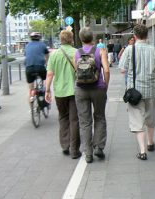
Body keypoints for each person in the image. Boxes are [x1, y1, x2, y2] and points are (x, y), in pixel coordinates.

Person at [119, 24, 155, 160]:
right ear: (147, 35)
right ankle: (151, 143)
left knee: (137, 120)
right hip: (152, 90)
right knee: (150, 117)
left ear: (134, 36)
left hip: (135, 92)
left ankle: (142, 151)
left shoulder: (129, 50)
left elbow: (122, 69)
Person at [74, 27, 110, 163]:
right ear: (93, 38)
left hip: (81, 89)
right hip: (98, 88)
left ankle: (88, 153)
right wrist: (105, 86)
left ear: (81, 38)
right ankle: (99, 147)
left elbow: (76, 71)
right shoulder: (100, 51)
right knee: (100, 117)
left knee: (84, 121)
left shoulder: (77, 53)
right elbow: (106, 70)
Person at [45, 30, 81, 159]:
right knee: (74, 120)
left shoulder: (54, 54)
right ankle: (74, 150)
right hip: (75, 91)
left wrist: (47, 90)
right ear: (72, 39)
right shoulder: (76, 52)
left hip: (60, 92)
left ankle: (65, 145)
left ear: (60, 40)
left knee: (63, 118)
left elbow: (49, 74)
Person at [24, 32, 49, 101]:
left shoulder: (27, 46)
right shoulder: (43, 45)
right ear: (39, 38)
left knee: (31, 88)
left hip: (29, 68)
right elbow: (47, 56)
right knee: (46, 80)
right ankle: (45, 91)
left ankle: (32, 97)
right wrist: (47, 64)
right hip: (40, 68)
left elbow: (26, 56)